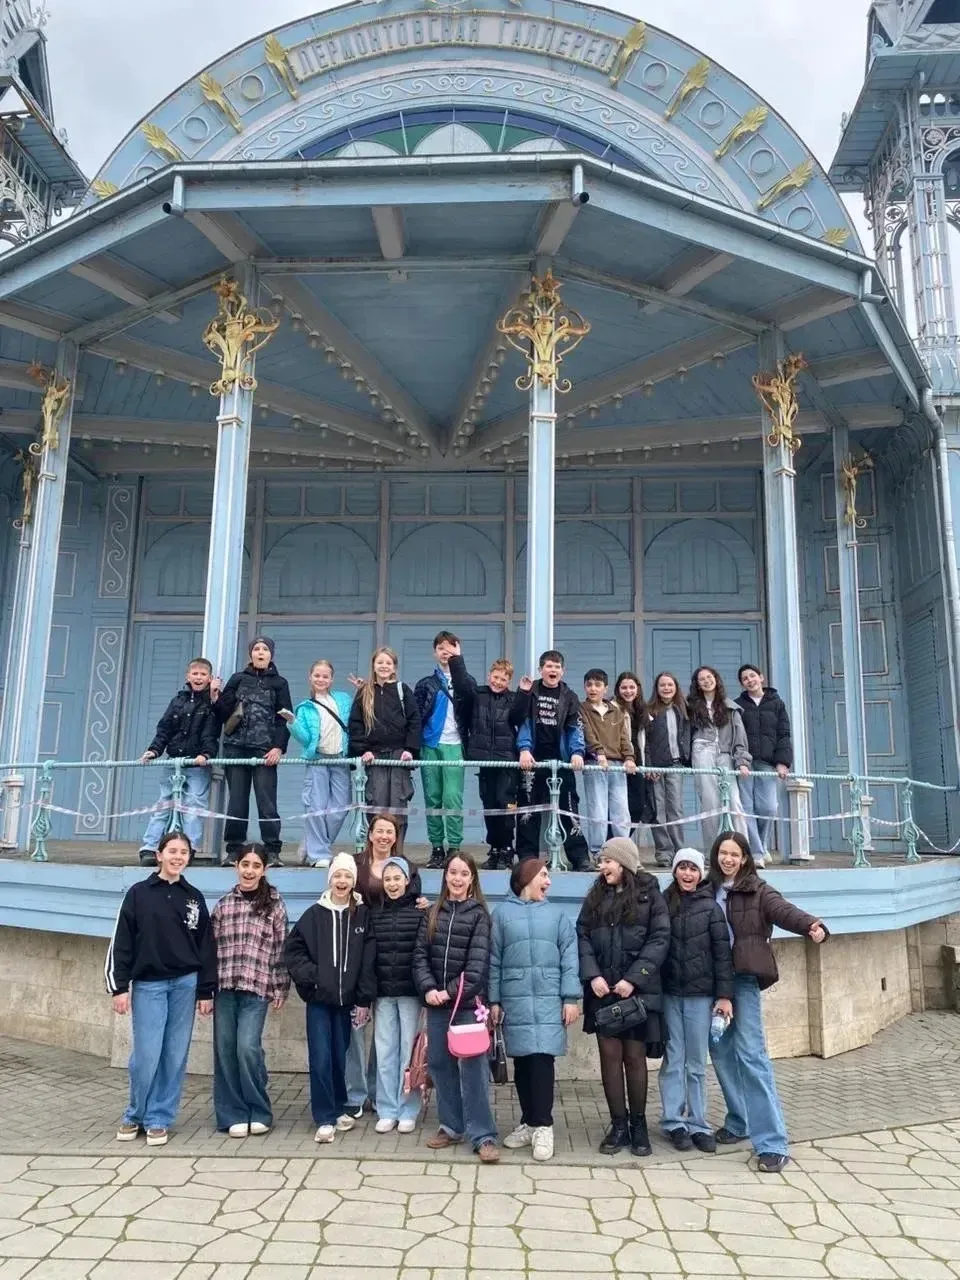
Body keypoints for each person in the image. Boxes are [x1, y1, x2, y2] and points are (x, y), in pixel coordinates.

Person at [709, 831, 828, 1173]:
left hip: (742, 979)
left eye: (734, 854)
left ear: (745, 858)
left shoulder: (757, 890)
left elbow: (784, 911)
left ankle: (773, 1143)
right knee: (721, 1053)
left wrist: (812, 925)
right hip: (713, 982)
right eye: (723, 853)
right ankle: (739, 1121)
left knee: (751, 1056)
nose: (728, 859)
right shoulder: (707, 889)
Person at [105, 831, 216, 1147]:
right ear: (159, 855)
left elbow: (206, 947)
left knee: (174, 1055)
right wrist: (119, 987)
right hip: (149, 985)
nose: (178, 857)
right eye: (172, 851)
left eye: (184, 852)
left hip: (185, 984)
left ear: (189, 858)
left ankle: (159, 1118)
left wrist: (205, 991)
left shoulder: (194, 897)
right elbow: (122, 942)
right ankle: (135, 1114)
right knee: (147, 1054)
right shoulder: (138, 894)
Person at [576, 836, 669, 1158]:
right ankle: (618, 1125)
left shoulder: (650, 895)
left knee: (634, 1058)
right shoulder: (595, 897)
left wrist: (633, 979)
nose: (602, 867)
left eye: (608, 861)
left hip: (636, 994)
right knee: (610, 1059)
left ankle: (638, 1125)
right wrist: (593, 976)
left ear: (624, 863)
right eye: (601, 861)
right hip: (603, 992)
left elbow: (659, 939)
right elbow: (583, 936)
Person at [489, 858, 580, 1162]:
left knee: (542, 1061)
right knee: (523, 1064)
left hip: (547, 999)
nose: (548, 882)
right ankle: (528, 1122)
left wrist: (570, 998)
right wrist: (494, 1001)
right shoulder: (501, 914)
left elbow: (570, 958)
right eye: (543, 875)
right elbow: (494, 961)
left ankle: (544, 1126)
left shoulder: (557, 915)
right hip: (514, 999)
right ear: (526, 879)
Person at [412, 853, 499, 1163]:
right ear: (445, 876)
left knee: (474, 1070)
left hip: (466, 1005)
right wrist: (429, 989)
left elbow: (476, 968)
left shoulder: (480, 916)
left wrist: (447, 992)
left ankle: (482, 1134)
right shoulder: (432, 912)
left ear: (472, 878)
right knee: (439, 1064)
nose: (457, 879)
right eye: (452, 872)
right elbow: (420, 957)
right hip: (437, 1005)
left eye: (464, 873)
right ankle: (451, 1126)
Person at [284, 853, 376, 1144]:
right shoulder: (314, 914)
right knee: (321, 1057)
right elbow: (293, 952)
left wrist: (363, 998)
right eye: (337, 875)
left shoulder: (362, 915)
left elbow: (367, 960)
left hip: (346, 1002)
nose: (342, 881)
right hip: (319, 1002)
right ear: (330, 879)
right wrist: (314, 977)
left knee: (339, 1056)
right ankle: (324, 1117)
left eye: (347, 876)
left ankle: (337, 1107)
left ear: (353, 881)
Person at [345, 813, 425, 1117]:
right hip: (367, 961)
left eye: (389, 831)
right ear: (370, 834)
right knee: (370, 1039)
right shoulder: (355, 865)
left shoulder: (409, 871)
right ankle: (366, 1098)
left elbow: (417, 914)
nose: (384, 836)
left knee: (399, 1046)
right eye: (379, 830)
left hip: (403, 976)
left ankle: (394, 1102)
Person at [211, 843, 290, 1137]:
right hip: (225, 986)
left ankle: (258, 1109)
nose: (250, 871)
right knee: (225, 1050)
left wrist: (281, 986)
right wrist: (205, 991)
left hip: (257, 987)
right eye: (245, 865)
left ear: (264, 870)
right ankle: (232, 1113)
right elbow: (210, 949)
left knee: (247, 1047)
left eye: (256, 866)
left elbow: (281, 950)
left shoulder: (275, 905)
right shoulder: (224, 905)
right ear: (236, 866)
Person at [658, 848, 733, 1153]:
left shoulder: (711, 909)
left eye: (693, 869)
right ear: (675, 871)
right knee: (674, 1059)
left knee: (697, 1063)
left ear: (701, 874)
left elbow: (722, 955)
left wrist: (724, 996)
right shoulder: (663, 903)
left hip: (700, 997)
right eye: (682, 867)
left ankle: (699, 1123)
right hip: (670, 994)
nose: (687, 874)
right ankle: (674, 1121)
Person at [450, 649, 533, 870]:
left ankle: (506, 849)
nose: (498, 682)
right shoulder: (478, 695)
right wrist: (456, 659)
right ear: (489, 676)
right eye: (495, 677)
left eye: (503, 679)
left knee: (505, 806)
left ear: (509, 681)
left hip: (506, 762)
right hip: (485, 761)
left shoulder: (513, 698)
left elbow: (518, 716)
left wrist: (524, 692)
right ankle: (494, 849)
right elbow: (461, 685)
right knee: (489, 806)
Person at [216, 637, 293, 868]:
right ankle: (233, 849)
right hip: (236, 748)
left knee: (267, 802)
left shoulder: (280, 683)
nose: (260, 653)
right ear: (250, 654)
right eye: (256, 649)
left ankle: (272, 850)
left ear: (271, 654)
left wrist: (278, 747)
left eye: (265, 649)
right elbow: (222, 713)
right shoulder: (238, 679)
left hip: (265, 751)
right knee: (236, 803)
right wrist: (216, 695)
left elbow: (285, 718)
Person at [137, 657, 220, 865]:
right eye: (195, 673)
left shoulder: (211, 703)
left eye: (203, 674)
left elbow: (211, 732)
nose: (198, 677)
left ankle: (189, 849)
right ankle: (150, 847)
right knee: (164, 804)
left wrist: (206, 754)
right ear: (188, 676)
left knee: (193, 806)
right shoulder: (177, 701)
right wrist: (154, 750)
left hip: (196, 763)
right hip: (174, 761)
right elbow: (164, 729)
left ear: (210, 678)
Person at [514, 650, 589, 870]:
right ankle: (527, 858)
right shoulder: (530, 692)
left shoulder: (569, 696)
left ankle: (579, 857)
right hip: (532, 762)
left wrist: (577, 752)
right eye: (548, 666)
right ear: (541, 670)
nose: (552, 670)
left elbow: (575, 727)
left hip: (561, 762)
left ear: (562, 671)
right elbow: (522, 722)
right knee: (528, 810)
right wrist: (524, 749)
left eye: (557, 667)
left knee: (569, 808)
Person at [347, 647, 421, 854]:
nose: (384, 666)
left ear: (394, 667)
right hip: (375, 757)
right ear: (373, 665)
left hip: (399, 756)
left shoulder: (403, 690)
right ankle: (374, 855)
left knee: (398, 807)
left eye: (388, 663)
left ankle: (397, 854)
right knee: (376, 805)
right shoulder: (364, 692)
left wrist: (410, 749)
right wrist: (363, 750)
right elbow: (356, 724)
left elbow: (414, 721)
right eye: (380, 662)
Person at [369, 855, 423, 1134]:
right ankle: (387, 1109)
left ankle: (408, 1109)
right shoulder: (374, 914)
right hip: (383, 993)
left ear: (406, 880)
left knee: (408, 1053)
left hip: (410, 993)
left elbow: (423, 954)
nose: (392, 884)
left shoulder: (420, 913)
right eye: (387, 879)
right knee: (385, 1052)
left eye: (396, 878)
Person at [285, 660, 353, 868]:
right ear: (310, 677)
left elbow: (357, 718)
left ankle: (311, 842)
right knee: (316, 807)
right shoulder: (305, 708)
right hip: (318, 760)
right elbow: (306, 739)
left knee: (340, 808)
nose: (321, 679)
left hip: (340, 759)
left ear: (331, 679)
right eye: (317, 675)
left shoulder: (344, 699)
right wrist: (292, 723)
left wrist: (363, 690)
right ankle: (318, 854)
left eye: (325, 676)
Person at [414, 632, 471, 869]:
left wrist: (459, 662)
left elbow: (470, 697)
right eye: (441, 648)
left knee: (452, 798)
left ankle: (454, 847)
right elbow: (415, 717)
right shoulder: (425, 683)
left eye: (450, 647)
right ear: (434, 652)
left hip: (455, 745)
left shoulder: (465, 681)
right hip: (431, 745)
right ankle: (437, 847)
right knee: (433, 798)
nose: (445, 652)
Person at [735, 665, 793, 868]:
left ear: (761, 677)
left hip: (767, 762)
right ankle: (757, 853)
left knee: (768, 807)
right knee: (747, 807)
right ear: (742, 684)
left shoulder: (777, 703)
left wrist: (783, 762)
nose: (749, 680)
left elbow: (784, 734)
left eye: (752, 676)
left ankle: (761, 846)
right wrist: (740, 760)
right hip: (745, 763)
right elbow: (735, 735)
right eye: (745, 678)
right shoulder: (738, 705)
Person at [687, 667, 750, 849]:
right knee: (710, 802)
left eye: (709, 677)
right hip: (701, 750)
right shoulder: (691, 707)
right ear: (697, 684)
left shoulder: (730, 707)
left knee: (734, 801)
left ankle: (742, 849)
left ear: (716, 679)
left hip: (724, 754)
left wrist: (742, 762)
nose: (706, 681)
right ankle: (713, 851)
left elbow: (739, 737)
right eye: (702, 679)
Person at [581, 668, 636, 862]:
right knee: (598, 810)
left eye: (597, 685)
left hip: (617, 765)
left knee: (621, 811)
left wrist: (629, 757)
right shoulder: (581, 708)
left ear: (605, 688)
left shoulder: (616, 710)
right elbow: (587, 733)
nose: (593, 689)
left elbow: (624, 737)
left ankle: (624, 853)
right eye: (589, 685)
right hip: (595, 764)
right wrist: (599, 753)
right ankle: (598, 852)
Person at [645, 672, 692, 867]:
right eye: (662, 685)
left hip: (676, 765)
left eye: (670, 685)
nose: (666, 688)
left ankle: (679, 850)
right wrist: (648, 765)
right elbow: (644, 741)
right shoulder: (649, 710)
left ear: (676, 687)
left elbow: (687, 736)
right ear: (657, 689)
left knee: (676, 809)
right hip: (656, 767)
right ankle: (664, 852)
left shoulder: (683, 710)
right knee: (658, 810)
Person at [613, 671, 656, 840]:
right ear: (617, 689)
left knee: (638, 808)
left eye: (632, 687)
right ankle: (611, 846)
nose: (628, 691)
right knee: (618, 809)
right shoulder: (612, 708)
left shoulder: (642, 711)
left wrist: (648, 766)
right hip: (619, 763)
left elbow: (648, 744)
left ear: (638, 689)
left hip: (637, 765)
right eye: (624, 687)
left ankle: (619, 843)